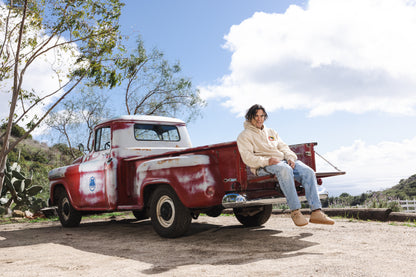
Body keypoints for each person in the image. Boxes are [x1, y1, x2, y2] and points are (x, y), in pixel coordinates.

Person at [236, 104, 334, 226]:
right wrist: (267, 161)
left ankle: (316, 212)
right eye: (256, 116)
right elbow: (248, 158)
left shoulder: (271, 132)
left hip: (282, 161)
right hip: (263, 166)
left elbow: (284, 147)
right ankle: (295, 211)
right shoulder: (244, 136)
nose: (259, 119)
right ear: (249, 117)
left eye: (262, 116)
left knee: (308, 172)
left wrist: (291, 158)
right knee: (285, 169)